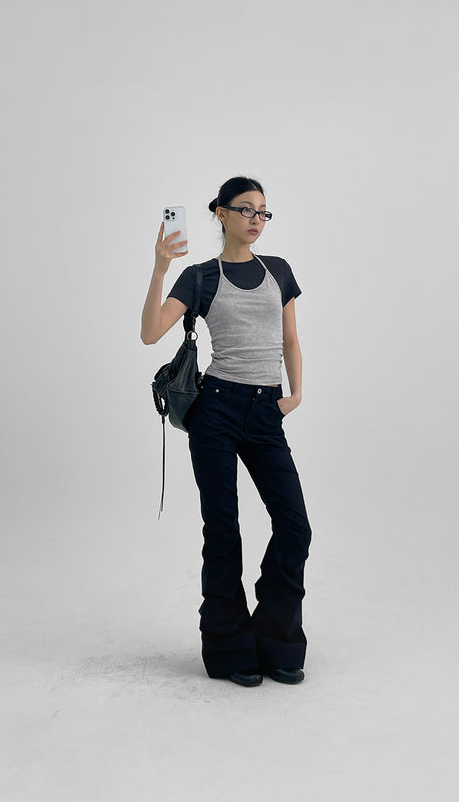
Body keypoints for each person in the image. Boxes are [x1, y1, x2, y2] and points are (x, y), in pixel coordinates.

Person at [141, 176, 312, 687]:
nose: (257, 220)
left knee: (295, 527)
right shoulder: (200, 276)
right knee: (222, 530)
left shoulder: (278, 270)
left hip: (265, 411)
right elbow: (150, 333)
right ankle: (229, 648)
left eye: (263, 212)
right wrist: (160, 267)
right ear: (221, 213)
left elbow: (290, 339)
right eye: (246, 210)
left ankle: (276, 640)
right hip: (215, 410)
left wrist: (295, 394)